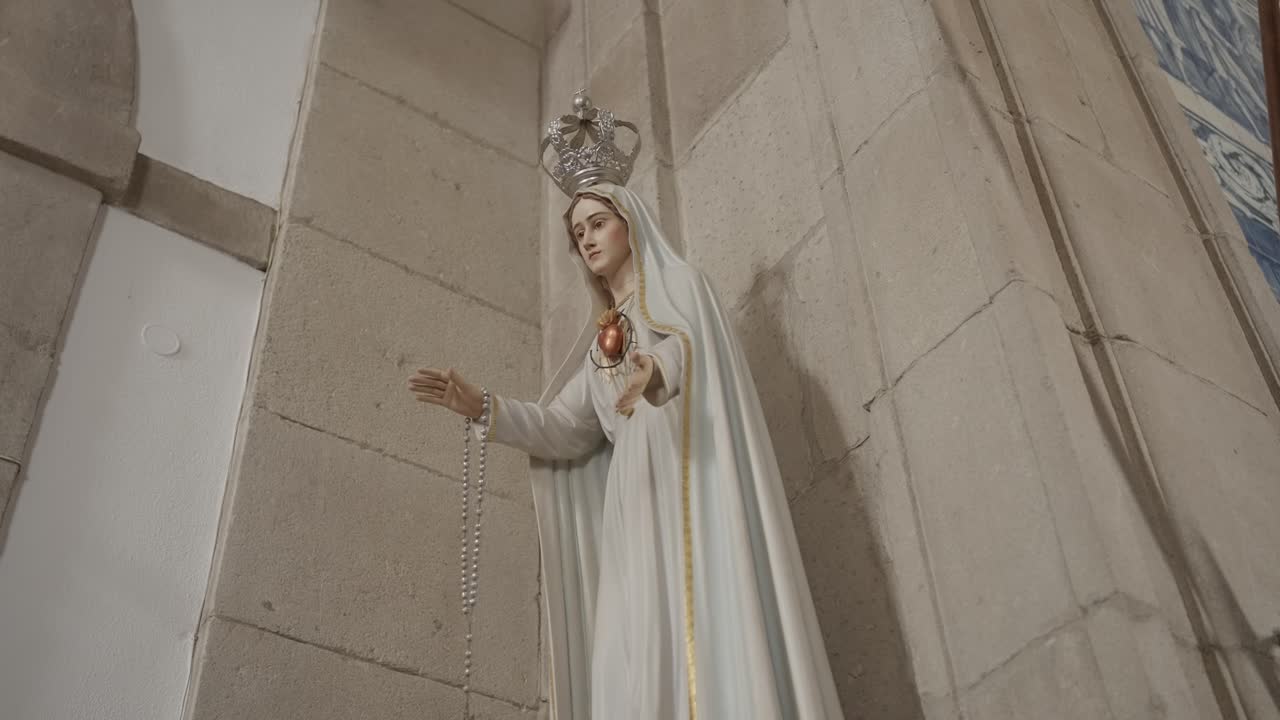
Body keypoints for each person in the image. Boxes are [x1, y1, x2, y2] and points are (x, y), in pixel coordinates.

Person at [408, 96, 843, 720]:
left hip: (688, 488)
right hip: (630, 515)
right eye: (577, 232)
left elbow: (694, 352)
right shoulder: (595, 348)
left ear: (629, 223)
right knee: (633, 656)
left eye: (596, 224)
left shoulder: (681, 289)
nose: (586, 239)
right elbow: (566, 428)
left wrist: (656, 372)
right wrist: (483, 406)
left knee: (703, 633)